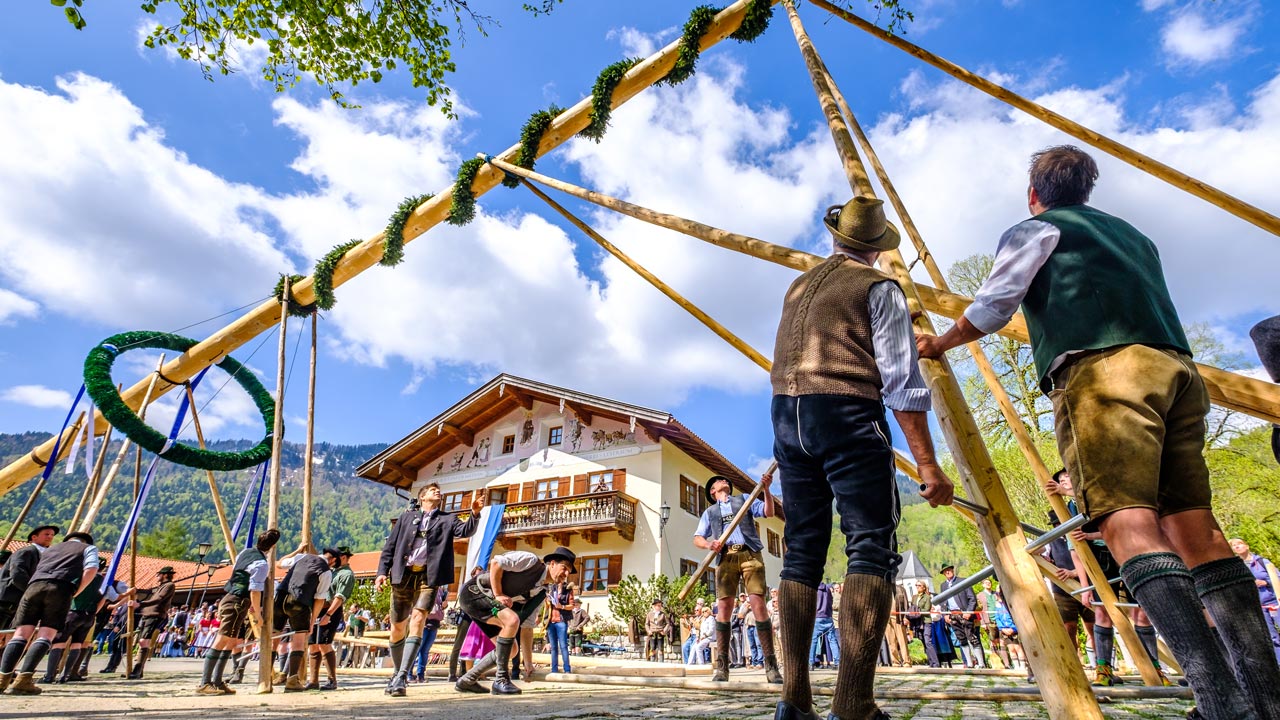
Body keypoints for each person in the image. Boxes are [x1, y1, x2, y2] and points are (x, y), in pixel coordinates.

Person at [917, 144, 1280, 719]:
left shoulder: (1035, 229)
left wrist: (940, 343)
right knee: (1196, 529)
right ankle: (1266, 697)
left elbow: (994, 302)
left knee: (1126, 521)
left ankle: (1220, 701)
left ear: (1034, 195)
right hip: (1176, 371)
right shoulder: (1134, 237)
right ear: (1087, 191)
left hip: (1106, 374)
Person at [770, 195, 955, 720]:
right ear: (878, 247)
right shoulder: (880, 288)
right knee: (870, 546)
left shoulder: (798, 285)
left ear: (836, 236)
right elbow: (901, 383)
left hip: (787, 417)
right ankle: (852, 704)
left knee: (803, 550)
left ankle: (793, 702)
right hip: (847, 411)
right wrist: (928, 466)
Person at [375, 483, 483, 697]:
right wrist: (381, 572)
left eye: (439, 491)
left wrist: (475, 513)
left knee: (417, 620)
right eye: (433, 490)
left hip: (428, 577)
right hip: (402, 575)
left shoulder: (447, 518)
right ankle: (397, 673)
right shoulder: (407, 517)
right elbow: (391, 546)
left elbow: (465, 531)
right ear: (422, 496)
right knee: (397, 627)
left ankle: (402, 676)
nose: (438, 492)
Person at [692, 473, 782, 684]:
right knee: (724, 608)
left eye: (725, 481)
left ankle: (771, 666)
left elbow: (768, 512)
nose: (724, 481)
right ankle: (722, 668)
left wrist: (766, 490)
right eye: (718, 481)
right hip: (725, 558)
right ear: (713, 491)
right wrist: (709, 545)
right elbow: (697, 538)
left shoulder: (745, 499)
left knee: (758, 604)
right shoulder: (710, 512)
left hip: (750, 554)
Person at [453, 547, 575, 695]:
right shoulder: (530, 561)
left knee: (512, 650)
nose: (566, 574)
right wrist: (498, 594)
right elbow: (496, 562)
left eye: (569, 571)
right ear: (553, 563)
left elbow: (527, 628)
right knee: (511, 620)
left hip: (486, 605)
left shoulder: (542, 593)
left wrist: (528, 664)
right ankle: (500, 679)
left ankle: (467, 680)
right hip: (474, 592)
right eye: (565, 568)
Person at [0, 531, 98, 694]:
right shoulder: (88, 548)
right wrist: (76, 591)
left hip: (33, 587)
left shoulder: (50, 549)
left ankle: (2, 679)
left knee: (20, 634)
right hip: (61, 587)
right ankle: (23, 680)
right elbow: (91, 568)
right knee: (46, 634)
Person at [196, 528, 279, 695]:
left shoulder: (246, 552)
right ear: (273, 546)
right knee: (222, 640)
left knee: (231, 642)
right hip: (238, 601)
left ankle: (218, 682)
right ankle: (205, 683)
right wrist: (258, 615)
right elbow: (255, 590)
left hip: (232, 598)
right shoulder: (262, 565)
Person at [41, 556, 129, 684]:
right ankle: (66, 674)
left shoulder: (82, 576)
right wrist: (94, 613)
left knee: (59, 643)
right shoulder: (105, 583)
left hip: (73, 612)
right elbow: (106, 599)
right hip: (89, 616)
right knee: (77, 644)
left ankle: (49, 676)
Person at [273, 547, 336, 692]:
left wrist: (296, 550)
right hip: (299, 602)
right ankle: (292, 680)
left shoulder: (301, 557)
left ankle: (266, 677)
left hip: (280, 598)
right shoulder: (326, 571)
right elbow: (319, 599)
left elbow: (280, 563)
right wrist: (312, 621)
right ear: (332, 560)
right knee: (299, 641)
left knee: (274, 637)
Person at [309, 546, 355, 690]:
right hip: (319, 609)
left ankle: (331, 680)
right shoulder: (332, 571)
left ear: (343, 557)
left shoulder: (346, 574)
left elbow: (339, 597)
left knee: (324, 643)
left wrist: (328, 614)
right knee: (313, 645)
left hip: (331, 610)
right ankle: (313, 680)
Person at [1231, 538, 1280, 664]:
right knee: (1272, 637)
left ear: (1246, 546)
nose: (1237, 547)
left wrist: (1266, 583)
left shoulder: (1263, 562)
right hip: (1258, 606)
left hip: (1275, 602)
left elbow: (1277, 578)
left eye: (1239, 544)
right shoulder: (1238, 568)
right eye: (1234, 546)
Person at [0, 524, 57, 629]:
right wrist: (33, 592)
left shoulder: (44, 555)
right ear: (34, 537)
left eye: (52, 535)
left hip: (18, 601)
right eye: (46, 534)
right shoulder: (26, 551)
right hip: (7, 599)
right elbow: (17, 574)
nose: (50, 537)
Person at [129, 565, 177, 679]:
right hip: (147, 615)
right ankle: (138, 671)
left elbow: (158, 599)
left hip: (155, 615)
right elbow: (149, 593)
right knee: (141, 641)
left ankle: (137, 669)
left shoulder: (169, 586)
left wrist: (141, 604)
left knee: (144, 641)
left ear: (165, 575)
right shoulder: (162, 586)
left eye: (159, 574)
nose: (157, 576)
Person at [938, 563, 985, 669]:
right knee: (961, 639)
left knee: (972, 637)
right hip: (953, 615)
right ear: (943, 573)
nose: (947, 572)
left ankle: (981, 663)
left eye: (949, 570)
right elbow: (942, 601)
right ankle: (969, 663)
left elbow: (972, 598)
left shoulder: (962, 581)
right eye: (945, 571)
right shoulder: (943, 586)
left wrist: (968, 611)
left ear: (952, 570)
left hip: (964, 614)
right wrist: (945, 614)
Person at [412, 587, 448, 682]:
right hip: (424, 621)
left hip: (435, 622)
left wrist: (444, 605)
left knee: (425, 651)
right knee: (416, 649)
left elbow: (440, 605)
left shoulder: (441, 590)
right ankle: (408, 674)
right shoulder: (426, 587)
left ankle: (420, 675)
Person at [907, 581, 939, 668]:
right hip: (917, 622)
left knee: (928, 640)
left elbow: (927, 609)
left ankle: (936, 663)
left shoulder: (927, 597)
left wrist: (918, 612)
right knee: (923, 641)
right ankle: (931, 662)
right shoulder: (914, 597)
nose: (917, 587)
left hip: (926, 621)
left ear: (924, 587)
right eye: (916, 585)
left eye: (919, 585)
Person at [809, 581, 839, 669]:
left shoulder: (814, 589)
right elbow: (831, 601)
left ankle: (811, 663)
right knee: (833, 640)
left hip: (818, 616)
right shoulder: (828, 590)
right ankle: (837, 662)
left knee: (813, 640)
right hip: (828, 616)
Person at [547, 581, 574, 672]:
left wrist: (561, 606)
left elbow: (571, 606)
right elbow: (547, 605)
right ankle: (554, 669)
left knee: (563, 646)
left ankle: (567, 669)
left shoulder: (568, 589)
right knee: (553, 647)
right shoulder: (552, 588)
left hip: (561, 621)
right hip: (551, 621)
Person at [887, 582, 912, 668]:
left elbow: (906, 604)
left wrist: (906, 617)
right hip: (887, 619)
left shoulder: (900, 589)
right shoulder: (883, 589)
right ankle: (895, 662)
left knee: (902, 641)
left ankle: (906, 662)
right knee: (891, 642)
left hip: (898, 618)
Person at [644, 599, 668, 664]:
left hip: (660, 633)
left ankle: (661, 664)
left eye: (660, 606)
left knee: (660, 649)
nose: (659, 607)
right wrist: (648, 631)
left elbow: (668, 623)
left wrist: (664, 631)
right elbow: (646, 624)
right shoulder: (649, 614)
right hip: (652, 634)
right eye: (658, 606)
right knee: (652, 649)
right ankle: (652, 663)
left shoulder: (663, 614)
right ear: (654, 606)